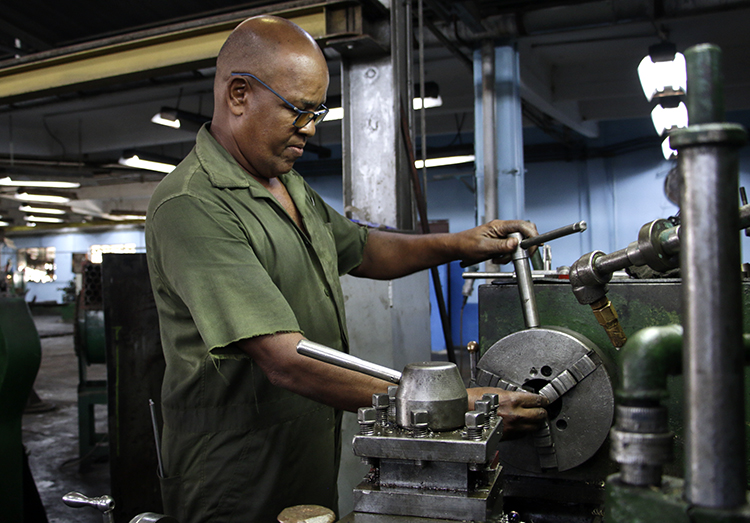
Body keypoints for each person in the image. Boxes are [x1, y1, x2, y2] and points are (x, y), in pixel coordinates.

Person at [145, 14, 548, 523]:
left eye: (318, 111)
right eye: (298, 110)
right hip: (232, 474)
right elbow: (284, 360)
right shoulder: (192, 203)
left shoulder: (287, 184)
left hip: (305, 452)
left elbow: (362, 249)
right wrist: (450, 405)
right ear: (239, 94)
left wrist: (463, 243)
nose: (311, 129)